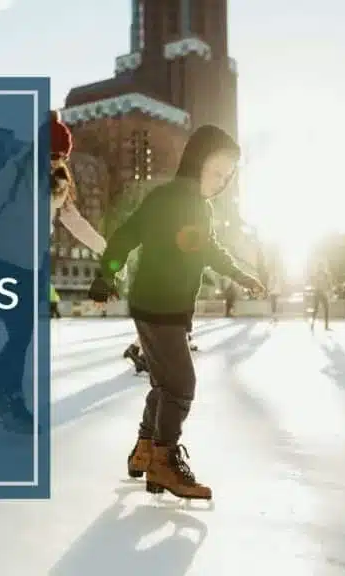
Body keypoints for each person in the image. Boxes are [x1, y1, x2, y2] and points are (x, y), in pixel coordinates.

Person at [89, 125, 264, 500]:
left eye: (227, 177)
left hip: (169, 308)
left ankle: (146, 449)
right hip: (157, 305)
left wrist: (240, 275)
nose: (221, 182)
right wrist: (106, 275)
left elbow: (211, 250)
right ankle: (163, 461)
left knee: (164, 385)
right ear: (197, 162)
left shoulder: (202, 208)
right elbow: (125, 235)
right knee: (182, 385)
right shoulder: (166, 200)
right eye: (216, 172)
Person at [0, 111, 107, 433]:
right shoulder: (16, 170)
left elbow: (75, 222)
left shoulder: (58, 183)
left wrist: (106, 249)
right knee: (21, 331)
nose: (56, 161)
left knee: (22, 332)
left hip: (31, 265)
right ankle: (7, 397)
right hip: (1, 260)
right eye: (52, 154)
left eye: (61, 156)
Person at [309, 261, 332, 332]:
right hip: (317, 293)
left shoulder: (326, 275)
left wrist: (329, 291)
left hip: (324, 293)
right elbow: (314, 283)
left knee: (326, 309)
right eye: (320, 267)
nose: (321, 268)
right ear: (318, 267)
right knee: (316, 309)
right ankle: (312, 323)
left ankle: (326, 326)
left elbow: (329, 284)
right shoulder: (316, 274)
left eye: (322, 267)